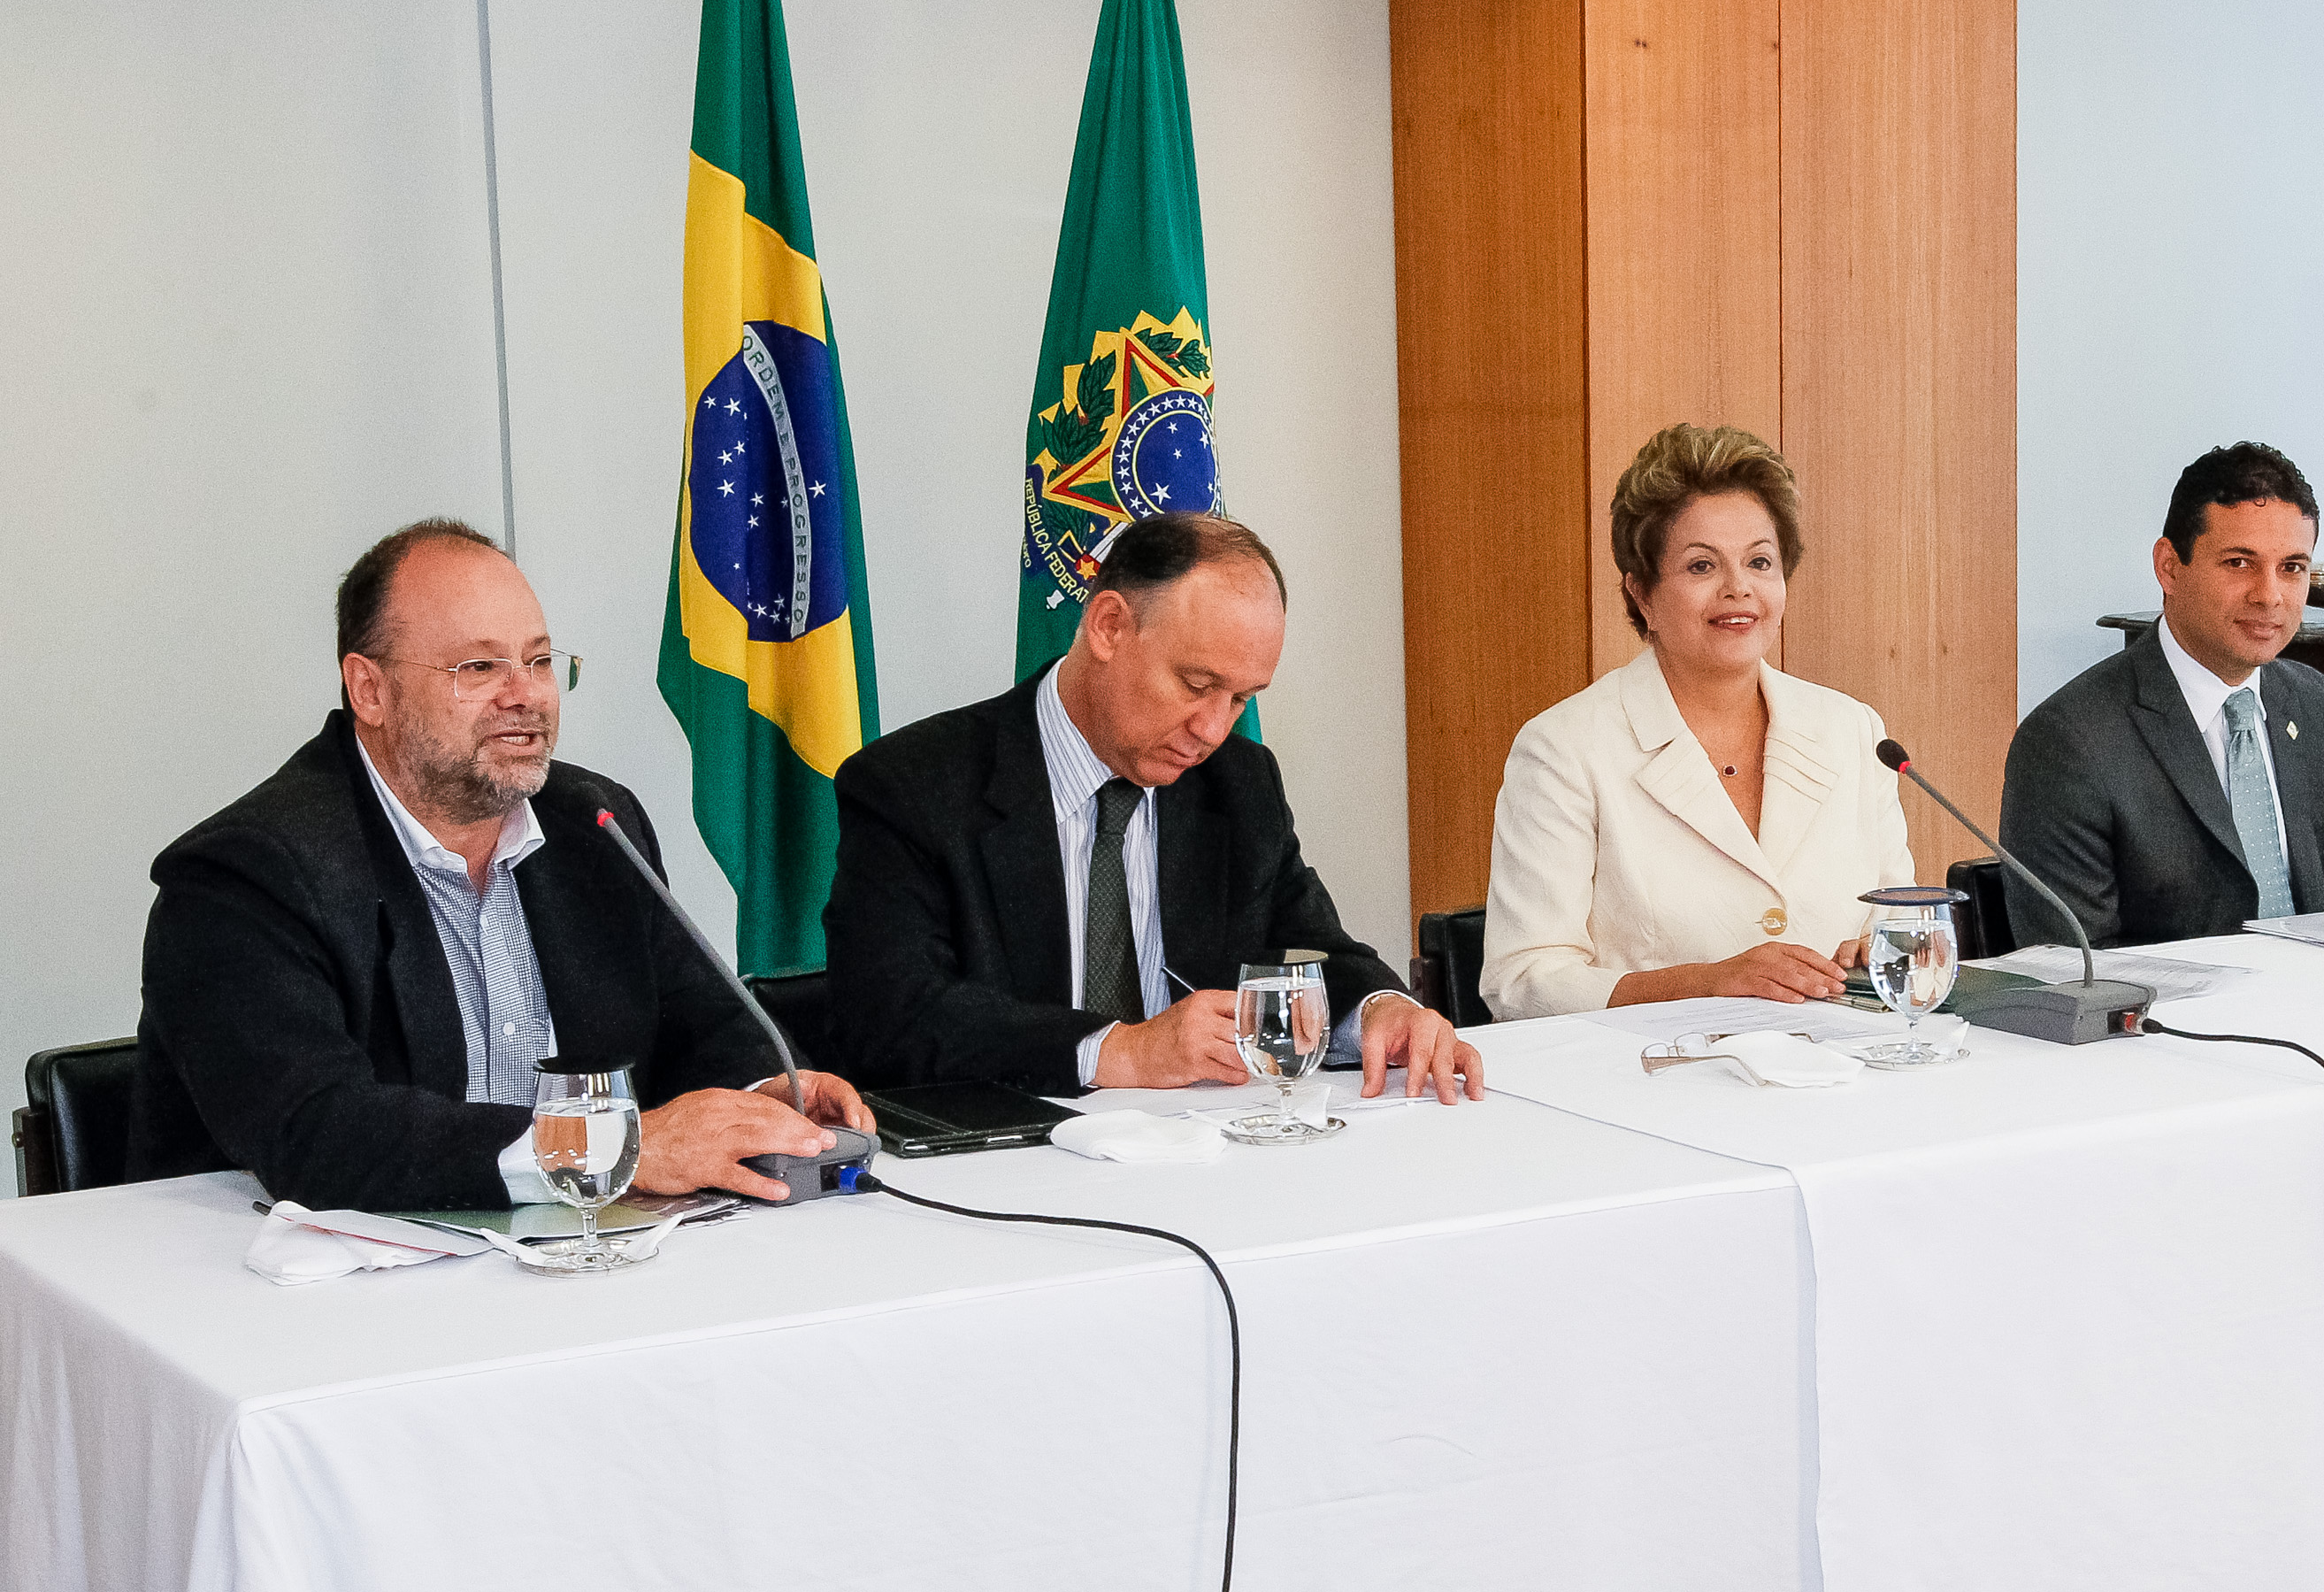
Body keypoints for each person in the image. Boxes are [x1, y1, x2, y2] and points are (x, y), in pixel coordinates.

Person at [133, 519, 875, 1211]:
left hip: (569, 1267)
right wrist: (611, 1149)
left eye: (540, 660)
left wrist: (765, 1087)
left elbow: (700, 1022)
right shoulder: (248, 874)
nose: (525, 696)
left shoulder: (593, 822)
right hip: (299, 1302)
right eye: (480, 665)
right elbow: (318, 1130)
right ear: (371, 689)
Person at [827, 512, 1479, 1102]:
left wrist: (1380, 1008)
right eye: (1198, 685)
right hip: (1008, 1167)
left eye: (1240, 699)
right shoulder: (914, 786)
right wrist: (1121, 1050)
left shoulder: (1240, 785)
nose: (1214, 729)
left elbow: (1315, 950)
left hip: (1204, 1160)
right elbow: (890, 1018)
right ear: (1109, 626)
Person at [1482, 423, 1916, 1019]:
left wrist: (1880, 952)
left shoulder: (1855, 732)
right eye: (1701, 566)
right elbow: (1524, 982)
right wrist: (1706, 982)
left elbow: (1903, 924)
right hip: (1648, 1085)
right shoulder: (1564, 749)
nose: (1739, 589)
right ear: (1641, 594)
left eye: (1760, 562)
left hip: (1837, 1073)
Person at [1999, 443, 2324, 949]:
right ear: (2169, 568)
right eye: (2239, 563)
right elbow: (2075, 973)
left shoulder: (2311, 701)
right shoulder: (2069, 742)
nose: (2269, 595)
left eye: (2292, 568)